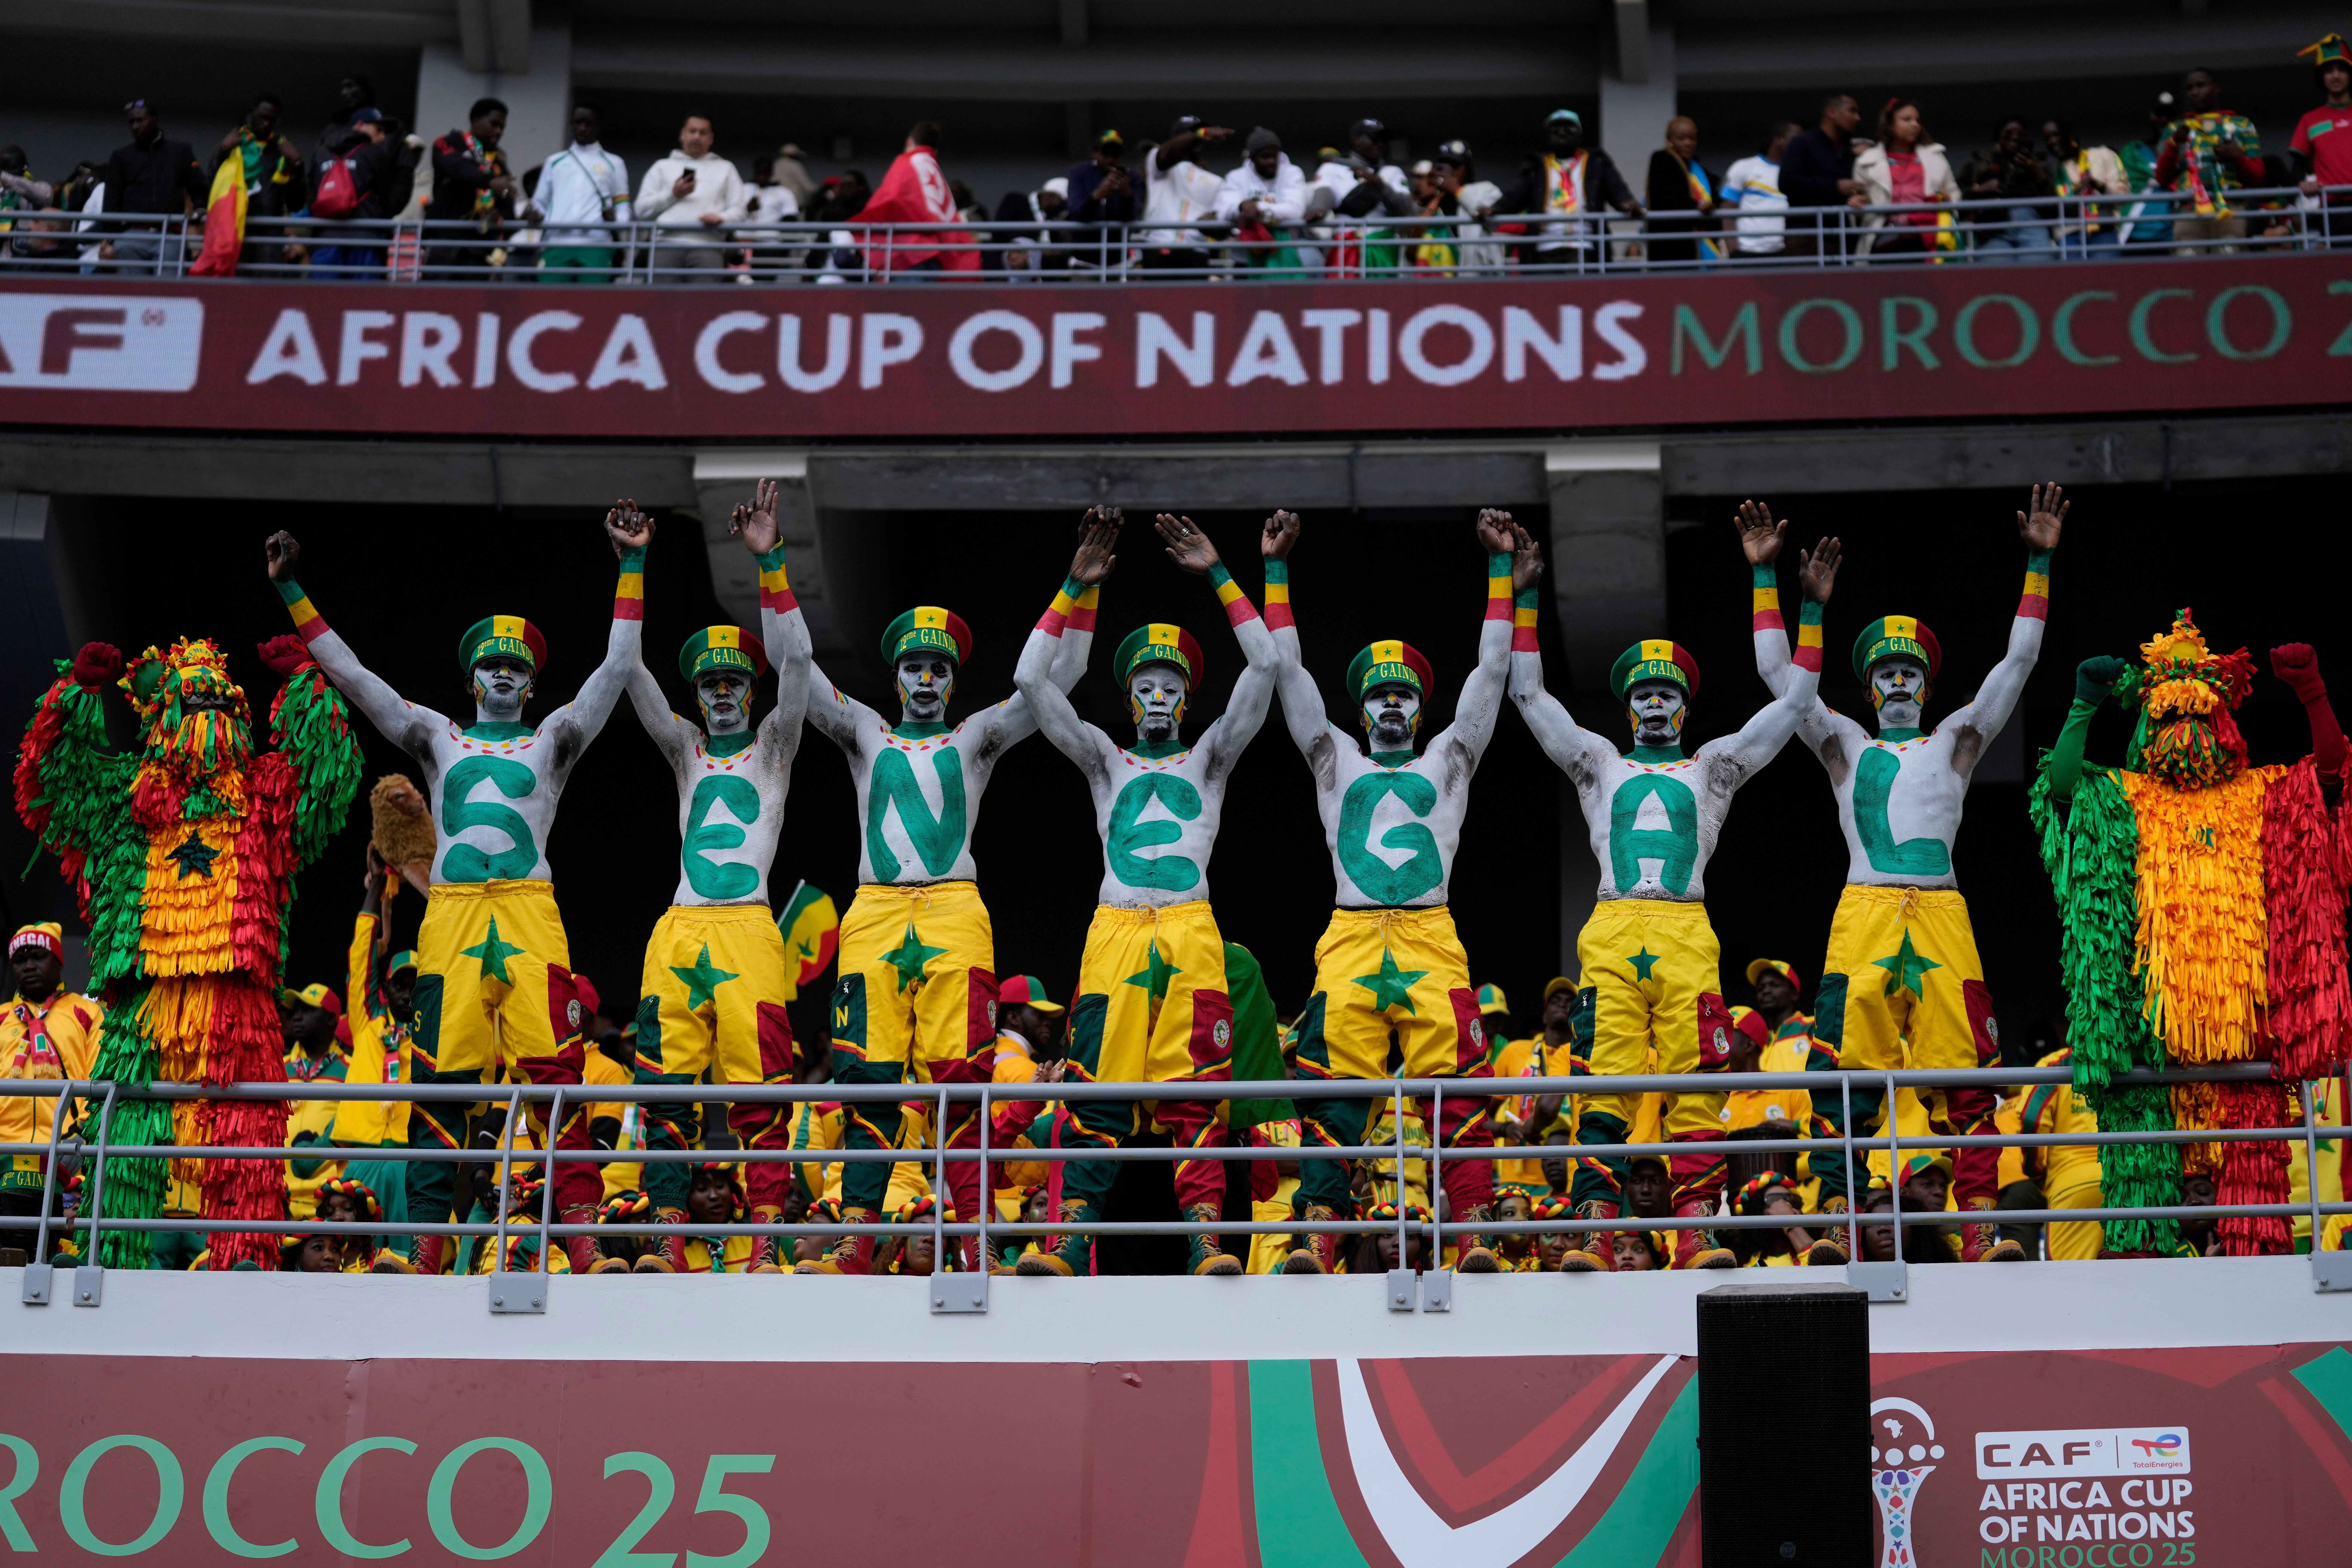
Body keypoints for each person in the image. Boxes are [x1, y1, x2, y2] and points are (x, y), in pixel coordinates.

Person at [260, 508, 650, 1276]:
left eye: (517, 667)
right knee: (439, 1084)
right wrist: (293, 590)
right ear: (470, 677)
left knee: (557, 1083)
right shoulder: (438, 737)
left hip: (531, 913)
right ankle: (424, 1251)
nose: (503, 674)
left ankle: (582, 1246)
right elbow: (356, 678)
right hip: (454, 919)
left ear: (533, 682)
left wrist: (632, 565)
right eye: (491, 665)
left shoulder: (554, 740)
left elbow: (616, 670)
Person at [1753, 487, 2068, 1263]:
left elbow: (2019, 663)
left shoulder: (1956, 741)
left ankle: (1981, 1233)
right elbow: (1776, 678)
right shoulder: (1844, 745)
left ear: (1928, 687)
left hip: (1940, 913)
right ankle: (1830, 1226)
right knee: (1842, 1079)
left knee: (1965, 1080)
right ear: (1868, 690)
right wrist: (1786, 593)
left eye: (1911, 674)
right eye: (1886, 675)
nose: (1899, 684)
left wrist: (2039, 562)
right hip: (1861, 912)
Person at [1513, 509, 1830, 1271]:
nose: (1655, 703)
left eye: (1668, 694)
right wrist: (1519, 594)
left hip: (1688, 930)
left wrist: (1784, 590)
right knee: (1605, 1091)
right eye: (1643, 694)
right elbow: (1527, 694)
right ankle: (1594, 1237)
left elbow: (1794, 704)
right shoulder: (1598, 764)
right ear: (1627, 708)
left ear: (1686, 709)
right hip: (1617, 928)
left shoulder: (1713, 766)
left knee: (1695, 1086)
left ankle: (1694, 1240)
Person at [780, 517, 1092, 1275]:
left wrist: (1080, 584)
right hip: (877, 910)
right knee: (866, 1077)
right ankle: (857, 1236)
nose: (926, 679)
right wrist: (769, 566)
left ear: (954, 680)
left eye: (938, 668)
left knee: (962, 1081)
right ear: (895, 678)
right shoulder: (863, 733)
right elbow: (794, 665)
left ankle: (976, 1237)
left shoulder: (977, 737)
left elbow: (1064, 681)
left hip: (953, 909)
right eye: (914, 667)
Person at [1266, 511, 1540, 1275]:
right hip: (1351, 933)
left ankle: (1476, 1229)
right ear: (1360, 712)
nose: (1392, 704)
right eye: (1379, 696)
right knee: (1332, 1091)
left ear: (1422, 709)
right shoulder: (1333, 759)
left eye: (1404, 695)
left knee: (1456, 1090)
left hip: (1428, 932)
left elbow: (1489, 678)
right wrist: (1277, 572)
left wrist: (1498, 578)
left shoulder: (1451, 759)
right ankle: (1320, 1232)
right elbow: (1289, 675)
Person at [1011, 512, 1283, 1278]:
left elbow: (1265, 672)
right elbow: (1032, 681)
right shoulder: (1104, 759)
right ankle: (1064, 1246)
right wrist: (1074, 587)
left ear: (1187, 700)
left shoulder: (1209, 758)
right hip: (1118, 928)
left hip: (1193, 928)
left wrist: (1221, 574)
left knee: (1195, 1097)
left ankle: (1206, 1248)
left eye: (1171, 686)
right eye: (1144, 686)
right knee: (1097, 1095)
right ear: (1129, 700)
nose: (1158, 696)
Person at [2035, 624, 2346, 1259]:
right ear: (2146, 728)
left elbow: (2334, 775)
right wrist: (2082, 707)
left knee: (2255, 1217)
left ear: (2226, 725)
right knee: (2144, 1197)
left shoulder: (2261, 790)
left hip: (2247, 1044)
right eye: (2169, 713)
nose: (2186, 726)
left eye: (2199, 714)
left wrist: (2312, 695)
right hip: (2153, 1047)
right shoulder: (2128, 794)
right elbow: (2065, 787)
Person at [617, 479, 811, 1275]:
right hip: (682, 926)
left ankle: (763, 1238)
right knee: (664, 1090)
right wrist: (633, 568)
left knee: (761, 1090)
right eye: (709, 684)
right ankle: (666, 1232)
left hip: (751, 930)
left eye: (734, 682)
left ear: (751, 693)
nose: (722, 692)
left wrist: (771, 565)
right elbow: (625, 672)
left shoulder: (773, 747)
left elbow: (799, 666)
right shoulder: (684, 750)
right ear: (696, 695)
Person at [0, 924, 101, 1262]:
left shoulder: (86, 1013)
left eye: (38, 956)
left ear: (58, 961)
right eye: (20, 959)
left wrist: (82, 1137)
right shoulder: (0, 1019)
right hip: (5, 1155)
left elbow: (102, 1080)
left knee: (60, 1254)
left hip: (68, 1154)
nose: (28, 965)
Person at [345, 849, 419, 1270]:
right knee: (351, 1253)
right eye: (399, 985)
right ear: (387, 991)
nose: (407, 994)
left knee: (410, 1262)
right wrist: (376, 884)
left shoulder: (435, 1038)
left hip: (414, 1158)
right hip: (366, 1155)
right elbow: (361, 957)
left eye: (415, 987)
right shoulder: (367, 1025)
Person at [1492, 109, 1642, 268]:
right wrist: (1494, 210)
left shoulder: (1596, 163)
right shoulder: (1537, 166)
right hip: (1544, 247)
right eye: (1556, 130)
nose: (1562, 133)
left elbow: (1618, 191)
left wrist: (1628, 204)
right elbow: (1514, 197)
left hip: (1584, 245)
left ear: (1579, 134)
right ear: (1549, 136)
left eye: (1569, 129)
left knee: (1582, 293)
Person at [2153, 68, 2264, 254]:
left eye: (2201, 85)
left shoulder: (2242, 125)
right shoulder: (2175, 128)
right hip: (2188, 211)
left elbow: (2258, 177)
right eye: (2190, 88)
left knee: (2230, 266)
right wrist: (2174, 144)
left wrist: (2237, 158)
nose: (2195, 92)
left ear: (2216, 88)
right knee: (2189, 269)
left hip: (2231, 209)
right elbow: (2162, 179)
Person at [96, 100, 207, 272]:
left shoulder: (180, 152)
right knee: (132, 297)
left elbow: (200, 187)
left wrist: (200, 207)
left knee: (168, 295)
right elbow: (112, 201)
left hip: (169, 235)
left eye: (140, 121)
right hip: (130, 237)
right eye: (132, 122)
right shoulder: (120, 156)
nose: (135, 126)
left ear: (155, 119)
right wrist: (111, 239)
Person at [856, 121, 977, 276]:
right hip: (935, 254)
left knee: (904, 301)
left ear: (909, 142)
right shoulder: (935, 170)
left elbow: (887, 199)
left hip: (909, 254)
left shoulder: (907, 162)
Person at [636, 113, 746, 281]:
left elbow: (740, 210)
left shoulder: (726, 168)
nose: (697, 137)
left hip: (709, 246)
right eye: (692, 131)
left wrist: (721, 219)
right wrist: (673, 195)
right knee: (663, 305)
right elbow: (641, 211)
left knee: (704, 305)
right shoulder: (662, 167)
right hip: (666, 245)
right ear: (682, 135)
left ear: (711, 138)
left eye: (703, 133)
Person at [529, 104, 630, 283]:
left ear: (599, 126)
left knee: (592, 305)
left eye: (588, 124)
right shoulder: (555, 162)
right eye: (578, 123)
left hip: (597, 245)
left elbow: (623, 208)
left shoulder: (615, 163)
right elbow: (539, 203)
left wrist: (616, 222)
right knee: (549, 305)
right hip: (556, 243)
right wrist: (536, 215)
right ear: (572, 124)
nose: (583, 128)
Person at [210, 93, 307, 270]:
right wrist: (222, 152)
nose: (267, 124)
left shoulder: (282, 150)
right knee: (235, 291)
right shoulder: (235, 145)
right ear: (252, 113)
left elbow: (296, 204)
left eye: (272, 120)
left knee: (266, 292)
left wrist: (297, 164)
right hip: (235, 230)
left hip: (270, 234)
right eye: (263, 118)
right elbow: (210, 186)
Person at [1852, 99, 1958, 259]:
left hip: (1929, 238)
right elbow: (1860, 206)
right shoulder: (1867, 161)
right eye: (1907, 120)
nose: (1915, 125)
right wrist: (1857, 202)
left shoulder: (1936, 157)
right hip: (1885, 239)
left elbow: (1955, 194)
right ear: (1889, 124)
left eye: (1917, 120)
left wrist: (1949, 199)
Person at [422, 98, 515, 278]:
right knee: (434, 302)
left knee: (471, 305)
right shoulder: (449, 142)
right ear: (476, 121)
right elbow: (457, 168)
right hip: (445, 242)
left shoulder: (498, 163)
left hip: (479, 250)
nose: (499, 131)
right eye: (494, 124)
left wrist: (501, 215)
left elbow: (507, 210)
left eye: (502, 127)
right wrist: (489, 181)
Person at [308, 109, 406, 278]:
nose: (383, 137)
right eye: (379, 130)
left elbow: (310, 197)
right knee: (364, 301)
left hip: (326, 241)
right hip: (366, 240)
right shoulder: (376, 154)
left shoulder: (320, 153)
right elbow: (388, 199)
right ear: (360, 125)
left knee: (322, 301)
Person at [281, 981, 349, 1221]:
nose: (298, 1017)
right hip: (280, 1199)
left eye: (308, 1011)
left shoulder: (353, 1071)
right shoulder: (276, 1069)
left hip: (330, 1202)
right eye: (296, 1011)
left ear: (332, 1020)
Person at [1137, 115, 1233, 273]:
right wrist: (1199, 136)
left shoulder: (1216, 182)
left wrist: (1215, 224)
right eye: (1190, 134)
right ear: (1176, 139)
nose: (1197, 137)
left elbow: (1224, 223)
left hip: (1196, 253)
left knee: (1195, 299)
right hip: (1158, 247)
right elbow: (1167, 154)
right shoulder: (1158, 163)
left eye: (1200, 133)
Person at [1779, 94, 1862, 256]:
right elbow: (1787, 182)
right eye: (1852, 111)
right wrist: (1836, 187)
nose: (1857, 118)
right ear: (1832, 113)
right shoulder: (1802, 143)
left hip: (1846, 238)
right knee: (1806, 282)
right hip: (1806, 237)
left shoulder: (1852, 149)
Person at [1960, 120, 2055, 260]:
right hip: (1994, 227)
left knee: (2038, 270)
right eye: (2009, 133)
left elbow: (2055, 206)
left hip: (2032, 223)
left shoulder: (2039, 163)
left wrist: (2038, 173)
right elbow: (1958, 199)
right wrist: (1979, 190)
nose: (2015, 137)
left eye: (2021, 134)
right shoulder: (1979, 163)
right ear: (1998, 137)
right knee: (1996, 275)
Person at [1217, 128, 1308, 271]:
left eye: (1275, 156)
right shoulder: (1236, 177)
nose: (1271, 161)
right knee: (1246, 294)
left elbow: (1295, 210)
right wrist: (1242, 206)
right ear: (1253, 158)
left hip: (1283, 256)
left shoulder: (1292, 173)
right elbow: (1223, 211)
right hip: (1244, 258)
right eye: (1265, 157)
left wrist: (1257, 209)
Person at [2293, 34, 2352, 241]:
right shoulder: (2310, 120)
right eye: (2329, 71)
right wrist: (2305, 182)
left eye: (2342, 70)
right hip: (2334, 208)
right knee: (2342, 270)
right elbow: (2298, 164)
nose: (2336, 76)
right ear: (2322, 77)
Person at [2043, 120, 2127, 257]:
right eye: (2047, 139)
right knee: (2073, 278)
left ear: (2071, 137)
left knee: (2105, 276)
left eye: (2056, 135)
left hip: (2103, 230)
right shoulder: (2053, 173)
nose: (2052, 142)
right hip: (2069, 234)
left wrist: (2099, 185)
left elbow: (2124, 197)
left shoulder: (2104, 155)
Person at [1644, 116, 1720, 266]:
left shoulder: (1700, 171)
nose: (1688, 143)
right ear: (1669, 140)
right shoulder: (1661, 160)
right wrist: (1698, 207)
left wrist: (1711, 207)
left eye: (1692, 139)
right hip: (1669, 248)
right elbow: (1669, 199)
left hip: (1697, 248)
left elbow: (1716, 201)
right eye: (1681, 139)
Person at [1719, 122, 1794, 260]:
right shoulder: (1743, 167)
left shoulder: (1796, 174)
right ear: (1779, 139)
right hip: (1746, 252)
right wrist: (1733, 250)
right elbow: (1728, 209)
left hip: (1783, 253)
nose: (1801, 145)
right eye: (1796, 140)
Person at [1067, 129, 1137, 225]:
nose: (1111, 160)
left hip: (1117, 239)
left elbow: (1132, 217)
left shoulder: (1131, 176)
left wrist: (1127, 195)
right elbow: (1075, 213)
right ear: (1094, 153)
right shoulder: (1080, 172)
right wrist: (1097, 195)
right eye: (1106, 153)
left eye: (1116, 155)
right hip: (1086, 239)